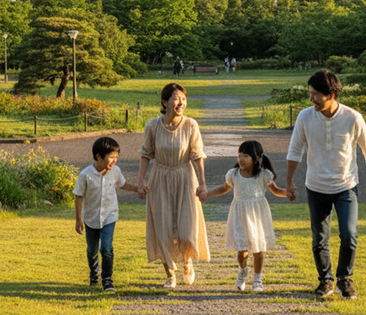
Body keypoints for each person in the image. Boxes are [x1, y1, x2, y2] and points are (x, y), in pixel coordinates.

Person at [286, 69, 366, 301]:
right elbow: (295, 150)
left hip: (346, 186)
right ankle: (325, 280)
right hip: (316, 186)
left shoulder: (352, 117)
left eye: (315, 94)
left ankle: (344, 279)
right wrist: (289, 181)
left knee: (349, 234)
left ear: (331, 94)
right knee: (319, 239)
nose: (311, 99)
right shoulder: (305, 117)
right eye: (310, 93)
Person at [137, 82, 210, 289]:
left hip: (185, 177)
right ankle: (170, 274)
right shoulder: (152, 125)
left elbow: (197, 155)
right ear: (165, 101)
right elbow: (145, 154)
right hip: (160, 178)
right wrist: (141, 181)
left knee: (187, 230)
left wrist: (202, 184)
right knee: (163, 229)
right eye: (176, 99)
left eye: (183, 99)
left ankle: (187, 261)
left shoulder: (191, 125)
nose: (181, 103)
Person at [205, 140, 287, 293]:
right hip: (240, 215)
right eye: (239, 156)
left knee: (258, 250)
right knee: (242, 251)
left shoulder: (263, 175)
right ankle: (242, 271)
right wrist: (207, 194)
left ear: (256, 159)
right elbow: (224, 188)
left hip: (258, 216)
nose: (241, 159)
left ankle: (257, 280)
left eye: (245, 156)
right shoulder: (234, 175)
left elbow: (276, 191)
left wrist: (288, 193)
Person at [73, 136, 139, 292]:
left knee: (107, 248)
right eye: (111, 157)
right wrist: (78, 220)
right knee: (92, 251)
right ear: (98, 156)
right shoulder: (85, 175)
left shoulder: (115, 171)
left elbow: (122, 184)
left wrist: (138, 189)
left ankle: (107, 279)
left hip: (109, 217)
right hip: (91, 219)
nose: (114, 161)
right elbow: (78, 196)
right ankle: (93, 272)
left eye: (116, 157)